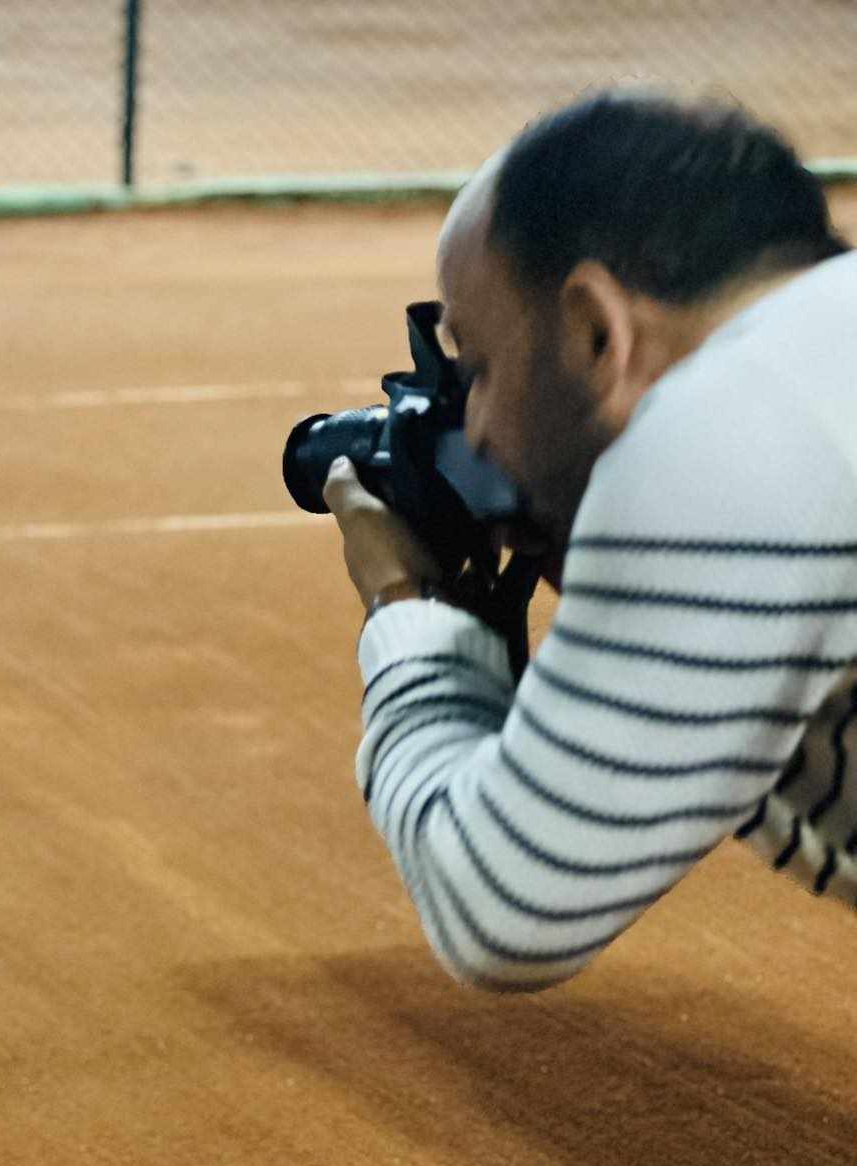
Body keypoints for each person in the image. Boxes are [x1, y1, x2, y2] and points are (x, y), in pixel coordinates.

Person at [326, 89, 855, 991]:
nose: (477, 430)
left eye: (481, 368)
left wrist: (411, 617)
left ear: (597, 332)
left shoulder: (731, 428)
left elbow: (504, 904)